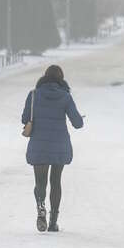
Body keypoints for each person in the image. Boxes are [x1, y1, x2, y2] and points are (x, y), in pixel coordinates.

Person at [21, 65, 84, 232]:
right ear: (61, 79)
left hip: (39, 144)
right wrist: (79, 118)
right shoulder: (65, 97)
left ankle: (40, 208)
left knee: (40, 182)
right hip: (59, 144)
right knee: (56, 182)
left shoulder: (34, 95)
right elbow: (77, 123)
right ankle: (53, 221)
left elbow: (24, 119)